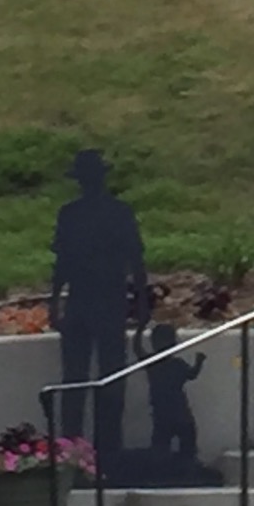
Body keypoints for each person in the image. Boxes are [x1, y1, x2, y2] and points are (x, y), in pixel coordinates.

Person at [50, 150, 151, 459]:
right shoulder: (94, 213)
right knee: (82, 377)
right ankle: (80, 447)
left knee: (101, 375)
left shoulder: (101, 213)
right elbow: (63, 262)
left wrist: (142, 300)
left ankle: (100, 447)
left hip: (104, 298)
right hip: (95, 299)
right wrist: (54, 301)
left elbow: (135, 261)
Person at [141, 322, 206, 469]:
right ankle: (164, 467)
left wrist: (199, 362)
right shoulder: (154, 363)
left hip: (177, 410)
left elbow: (192, 374)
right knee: (162, 444)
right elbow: (192, 374)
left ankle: (186, 465)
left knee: (186, 438)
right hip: (165, 411)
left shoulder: (175, 364)